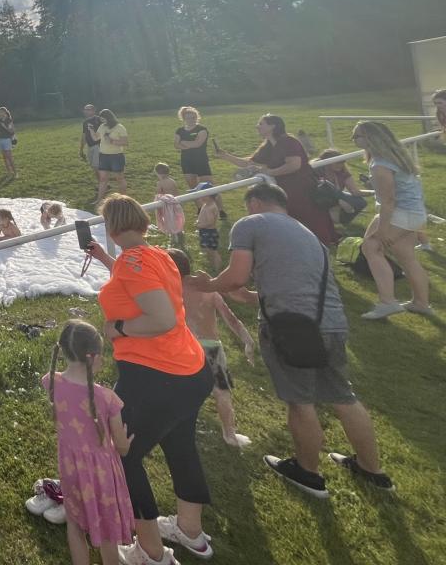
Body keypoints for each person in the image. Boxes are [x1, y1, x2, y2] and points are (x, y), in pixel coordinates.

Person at [191, 183, 392, 499]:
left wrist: (209, 284)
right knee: (343, 395)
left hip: (290, 330)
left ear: (254, 203)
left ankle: (307, 473)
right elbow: (292, 285)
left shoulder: (251, 223)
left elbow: (236, 276)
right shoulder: (307, 234)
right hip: (331, 323)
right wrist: (253, 297)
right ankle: (372, 470)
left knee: (300, 401)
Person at [86, 194, 215, 565]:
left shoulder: (132, 263)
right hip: (190, 369)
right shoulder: (157, 255)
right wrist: (106, 260)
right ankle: (191, 530)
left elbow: (161, 318)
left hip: (155, 375)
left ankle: (150, 551)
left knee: (120, 453)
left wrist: (117, 327)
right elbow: (138, 281)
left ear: (112, 226)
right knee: (181, 445)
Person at [41, 321, 135, 565]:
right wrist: (126, 441)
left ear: (63, 350)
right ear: (93, 358)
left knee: (74, 525)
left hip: (70, 469)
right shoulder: (108, 399)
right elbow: (122, 447)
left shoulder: (50, 381)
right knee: (107, 531)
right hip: (102, 476)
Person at [168, 248, 254, 448]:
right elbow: (231, 319)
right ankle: (229, 434)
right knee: (222, 391)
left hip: (186, 347)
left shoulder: (170, 290)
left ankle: (180, 427)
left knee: (183, 390)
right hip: (212, 348)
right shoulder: (208, 288)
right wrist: (247, 340)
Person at [216, 115, 337, 246]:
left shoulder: (289, 141)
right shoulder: (268, 145)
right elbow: (248, 163)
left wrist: (270, 172)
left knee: (308, 217)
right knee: (290, 217)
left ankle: (317, 243)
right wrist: (226, 156)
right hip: (285, 188)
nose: (257, 126)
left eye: (261, 124)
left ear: (273, 126)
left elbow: (294, 165)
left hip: (302, 187)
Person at [352, 121, 431, 318]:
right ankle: (421, 303)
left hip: (401, 213)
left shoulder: (380, 165)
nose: (353, 140)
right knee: (407, 257)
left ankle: (387, 302)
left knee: (371, 248)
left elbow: (388, 201)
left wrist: (383, 230)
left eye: (357, 136)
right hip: (414, 214)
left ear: (371, 138)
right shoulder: (394, 157)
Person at [174, 107, 224, 219]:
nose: (191, 120)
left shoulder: (202, 129)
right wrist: (189, 144)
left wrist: (183, 142)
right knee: (193, 187)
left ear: (197, 117)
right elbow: (176, 145)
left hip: (201, 160)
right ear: (183, 118)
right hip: (186, 161)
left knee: (210, 187)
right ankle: (200, 208)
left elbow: (197, 144)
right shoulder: (179, 130)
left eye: (193, 117)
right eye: (188, 118)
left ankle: (221, 210)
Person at [316, 150, 367, 227]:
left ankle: (342, 221)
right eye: (337, 163)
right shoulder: (316, 171)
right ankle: (327, 220)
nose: (341, 165)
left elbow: (355, 192)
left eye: (342, 162)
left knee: (360, 202)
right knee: (329, 189)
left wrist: (375, 191)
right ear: (327, 162)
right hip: (319, 199)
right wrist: (337, 201)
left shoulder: (343, 172)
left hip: (338, 197)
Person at [95, 110, 129, 203]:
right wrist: (90, 130)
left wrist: (111, 141)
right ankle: (99, 200)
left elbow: (125, 142)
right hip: (103, 156)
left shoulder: (120, 127)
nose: (102, 121)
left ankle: (124, 200)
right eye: (101, 119)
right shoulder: (102, 126)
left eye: (103, 119)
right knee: (103, 179)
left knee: (119, 179)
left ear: (109, 117)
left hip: (116, 156)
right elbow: (96, 138)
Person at [194, 185, 222, 271]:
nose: (201, 197)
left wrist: (200, 225)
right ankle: (213, 264)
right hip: (205, 231)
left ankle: (217, 267)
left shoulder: (210, 207)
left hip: (209, 232)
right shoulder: (206, 205)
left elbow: (210, 222)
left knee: (212, 251)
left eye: (203, 195)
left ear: (210, 195)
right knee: (207, 250)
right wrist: (198, 221)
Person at [78, 104, 103, 180]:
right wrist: (81, 149)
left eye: (88, 109)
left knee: (96, 166)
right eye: (85, 110)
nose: (86, 111)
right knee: (93, 166)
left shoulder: (99, 119)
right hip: (90, 146)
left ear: (93, 110)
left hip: (98, 146)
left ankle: (103, 183)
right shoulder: (85, 122)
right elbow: (84, 136)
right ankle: (101, 182)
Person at [0, 106, 18, 177]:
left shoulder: (9, 120)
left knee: (9, 157)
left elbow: (12, 131)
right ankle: (9, 172)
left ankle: (15, 173)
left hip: (7, 140)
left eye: (1, 112)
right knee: (4, 157)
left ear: (5, 112)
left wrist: (4, 126)